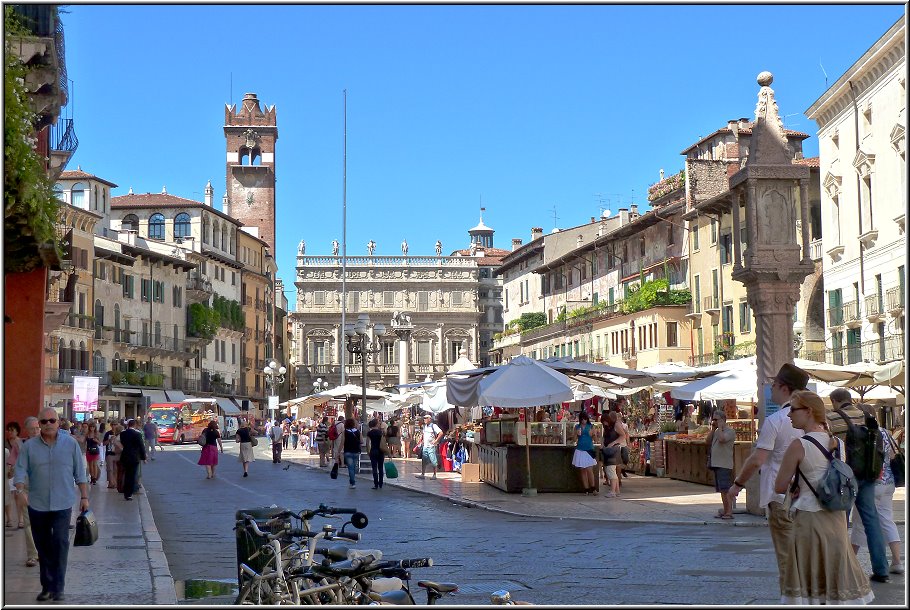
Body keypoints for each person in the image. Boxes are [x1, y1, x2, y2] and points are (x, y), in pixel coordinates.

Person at [773, 390, 873, 604]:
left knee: (810, 583)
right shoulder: (837, 443)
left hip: (810, 520)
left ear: (808, 411)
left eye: (793, 409)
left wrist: (796, 484)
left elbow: (780, 486)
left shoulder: (799, 445)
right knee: (834, 576)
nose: (789, 414)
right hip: (836, 519)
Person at [727, 362, 808, 594]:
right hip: (808, 493)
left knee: (786, 557)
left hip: (780, 494)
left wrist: (738, 484)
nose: (770, 388)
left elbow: (757, 459)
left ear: (784, 387)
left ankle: (792, 600)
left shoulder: (778, 420)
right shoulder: (815, 420)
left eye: (773, 384)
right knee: (804, 555)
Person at [13, 407, 89, 601]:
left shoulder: (70, 444)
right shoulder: (29, 446)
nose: (48, 425)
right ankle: (47, 586)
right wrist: (20, 491)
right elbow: (20, 470)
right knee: (43, 546)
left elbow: (80, 473)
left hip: (63, 503)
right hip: (37, 504)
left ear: (58, 422)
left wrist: (84, 497)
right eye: (44, 421)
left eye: (51, 421)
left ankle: (58, 587)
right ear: (39, 424)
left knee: (61, 544)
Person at [828, 387, 891, 582]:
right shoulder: (866, 416)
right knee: (871, 520)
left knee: (840, 521)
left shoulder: (832, 416)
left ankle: (840, 569)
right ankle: (881, 569)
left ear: (835, 401)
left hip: (844, 475)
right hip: (868, 473)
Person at [850, 422, 904, 575]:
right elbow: (893, 455)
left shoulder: (864, 433)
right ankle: (897, 561)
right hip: (888, 482)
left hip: (871, 483)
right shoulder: (886, 433)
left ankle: (850, 560)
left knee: (860, 521)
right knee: (887, 519)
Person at [706, 410, 736, 519]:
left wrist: (720, 428)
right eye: (713, 419)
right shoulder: (716, 431)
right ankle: (725, 509)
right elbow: (707, 441)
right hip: (716, 463)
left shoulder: (730, 431)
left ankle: (729, 512)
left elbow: (722, 439)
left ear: (723, 420)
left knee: (726, 489)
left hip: (724, 464)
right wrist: (714, 429)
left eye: (716, 419)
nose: (714, 421)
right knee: (721, 490)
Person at [118, 419, 147, 500]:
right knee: (132, 475)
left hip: (125, 455)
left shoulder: (123, 433)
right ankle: (129, 493)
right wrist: (144, 457)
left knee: (126, 474)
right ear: (134, 425)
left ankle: (125, 491)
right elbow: (141, 446)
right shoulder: (137, 434)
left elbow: (122, 443)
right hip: (134, 457)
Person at [601, 412, 625, 498]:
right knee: (610, 470)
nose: (604, 424)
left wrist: (614, 442)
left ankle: (612, 491)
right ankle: (617, 490)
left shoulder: (616, 425)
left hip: (614, 451)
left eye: (605, 421)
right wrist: (603, 444)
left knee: (611, 471)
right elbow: (604, 437)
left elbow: (623, 436)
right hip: (608, 450)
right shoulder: (606, 427)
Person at [573, 411, 598, 495]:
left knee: (589, 469)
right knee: (582, 470)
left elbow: (595, 439)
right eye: (583, 419)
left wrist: (593, 435)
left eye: (585, 419)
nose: (584, 421)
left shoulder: (591, 426)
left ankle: (593, 487)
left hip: (589, 449)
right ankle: (586, 488)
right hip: (580, 449)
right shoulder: (577, 427)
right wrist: (576, 434)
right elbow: (574, 439)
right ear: (580, 419)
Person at [5, 422, 23, 529]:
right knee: (7, 496)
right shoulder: (4, 442)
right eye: (9, 430)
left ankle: (21, 519)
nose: (10, 432)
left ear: (17, 431)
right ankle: (9, 519)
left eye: (12, 430)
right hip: (7, 472)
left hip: (18, 471)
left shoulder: (21, 442)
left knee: (17, 496)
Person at [418, 414, 443, 480]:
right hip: (425, 446)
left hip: (431, 446)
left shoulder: (433, 426)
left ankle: (434, 475)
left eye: (426, 418)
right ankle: (422, 474)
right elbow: (424, 434)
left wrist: (436, 441)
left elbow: (441, 433)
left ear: (430, 419)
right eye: (424, 418)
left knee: (433, 461)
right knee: (424, 460)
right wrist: (422, 441)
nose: (425, 419)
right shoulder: (425, 426)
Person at [366, 419, 386, 489]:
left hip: (373, 450)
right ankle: (381, 483)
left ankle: (376, 484)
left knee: (374, 468)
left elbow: (368, 443)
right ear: (377, 424)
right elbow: (384, 442)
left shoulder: (369, 433)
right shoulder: (381, 432)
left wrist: (368, 451)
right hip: (381, 451)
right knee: (380, 467)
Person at [342, 419, 361, 489]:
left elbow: (342, 442)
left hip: (348, 451)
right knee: (353, 467)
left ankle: (352, 483)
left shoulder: (345, 432)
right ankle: (352, 481)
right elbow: (361, 441)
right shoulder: (358, 432)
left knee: (350, 468)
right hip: (356, 451)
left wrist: (338, 451)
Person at [103, 423, 121, 489]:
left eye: (115, 424)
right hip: (109, 452)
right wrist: (109, 440)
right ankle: (111, 482)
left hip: (117, 453)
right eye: (112, 425)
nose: (114, 426)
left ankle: (115, 482)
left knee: (116, 469)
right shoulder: (108, 433)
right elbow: (104, 443)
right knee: (110, 469)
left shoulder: (119, 434)